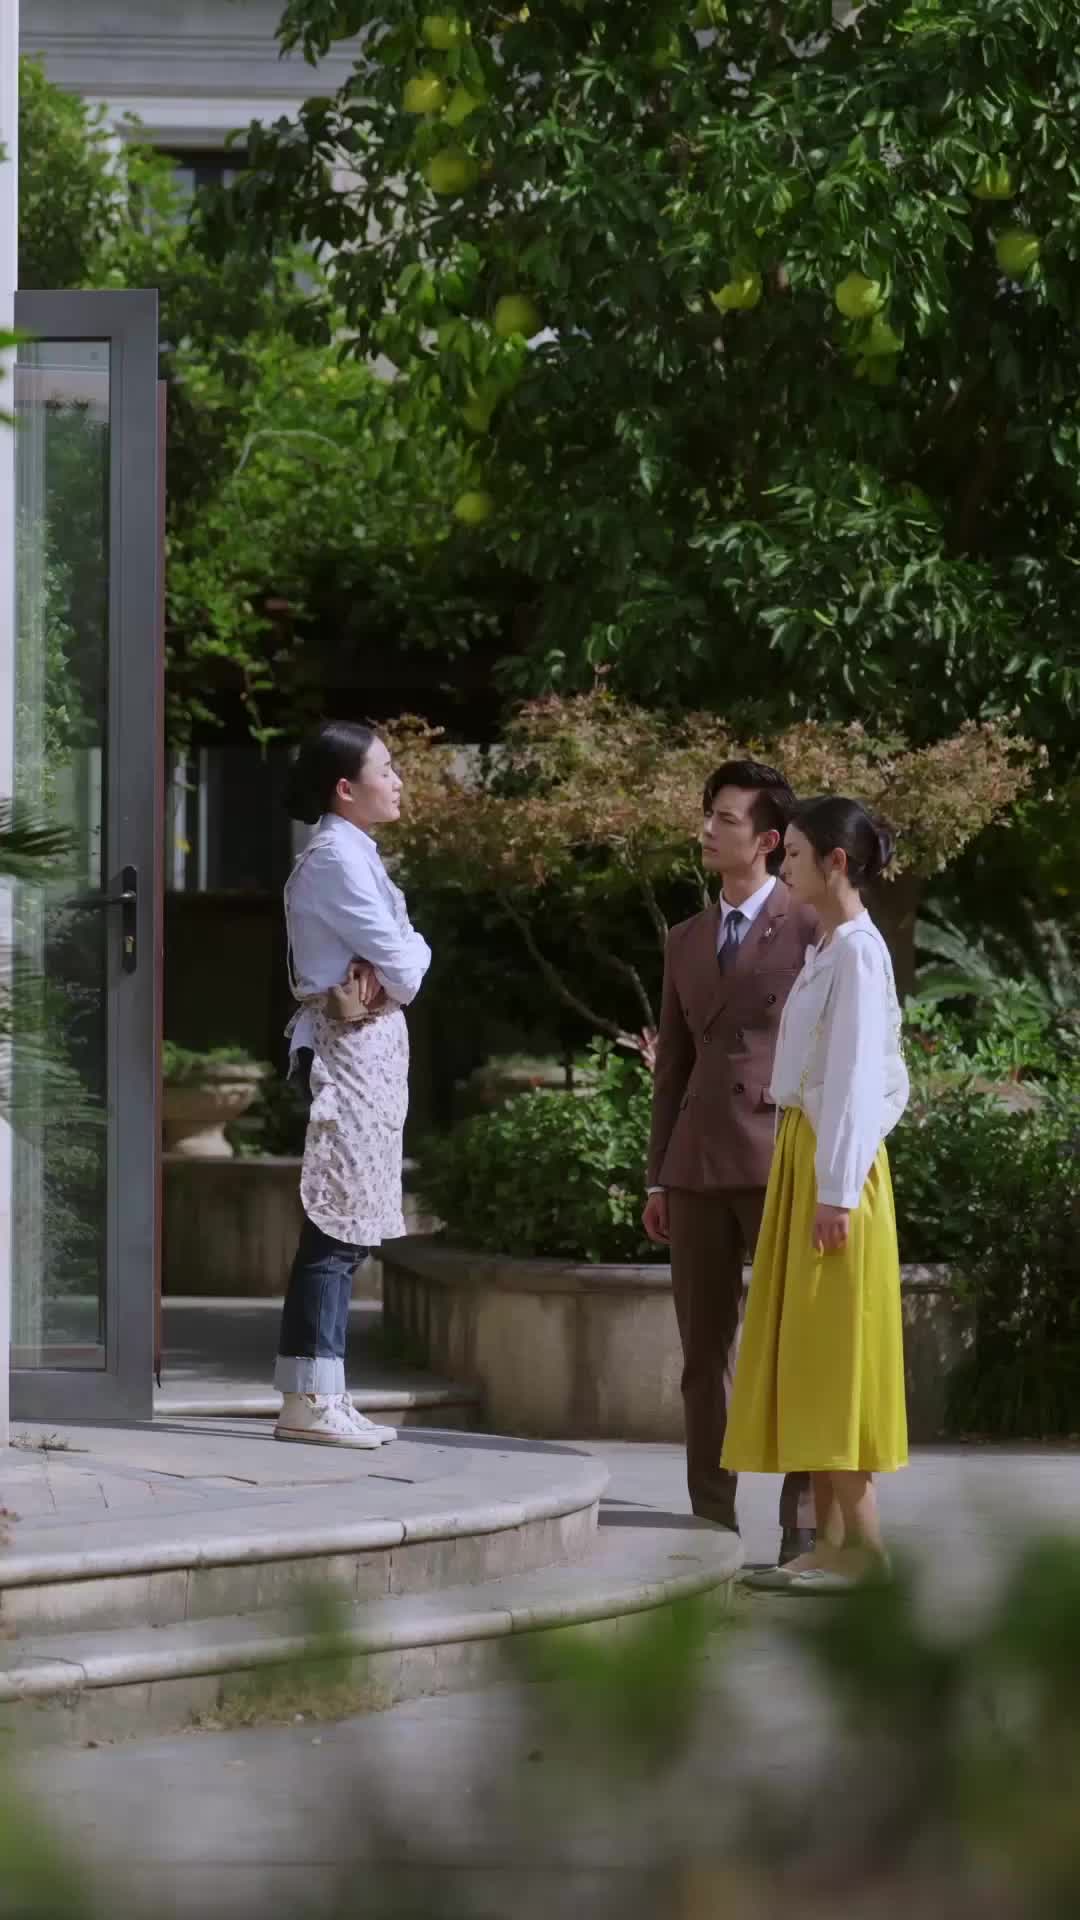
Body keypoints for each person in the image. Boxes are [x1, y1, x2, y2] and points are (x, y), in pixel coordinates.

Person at [722, 797, 910, 1592]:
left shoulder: (858, 952)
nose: (784, 865)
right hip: (813, 1158)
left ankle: (864, 1548)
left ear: (836, 862)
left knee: (833, 1352)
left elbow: (864, 1079)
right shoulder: (831, 946)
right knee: (811, 1347)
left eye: (795, 854)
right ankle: (831, 1541)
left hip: (835, 1170)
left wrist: (835, 1188)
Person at [644, 761, 819, 1567]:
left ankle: (803, 1522)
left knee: (793, 1348)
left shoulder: (810, 926)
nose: (708, 830)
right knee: (702, 1357)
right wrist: (658, 1174)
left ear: (768, 840)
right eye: (707, 815)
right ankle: (711, 1520)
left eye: (726, 819)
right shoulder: (684, 938)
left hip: (779, 1158)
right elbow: (672, 1068)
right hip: (695, 1166)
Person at [273, 721, 431, 1449]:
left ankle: (322, 1390)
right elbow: (405, 969)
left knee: (349, 1228)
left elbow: (409, 956)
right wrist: (401, 964)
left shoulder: (356, 854)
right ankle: (310, 1397)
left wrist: (403, 961)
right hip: (346, 1052)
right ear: (346, 787)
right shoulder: (335, 859)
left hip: (371, 1052)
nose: (397, 781)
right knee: (335, 1227)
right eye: (386, 769)